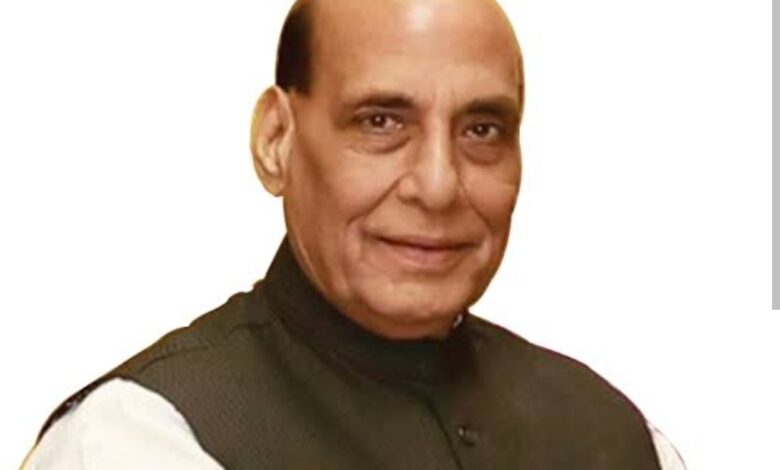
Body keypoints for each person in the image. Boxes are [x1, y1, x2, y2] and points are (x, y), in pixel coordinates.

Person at [22, 0, 685, 468]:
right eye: (380, 122)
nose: (438, 186)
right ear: (276, 141)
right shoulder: (141, 442)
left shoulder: (620, 439)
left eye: (481, 130)